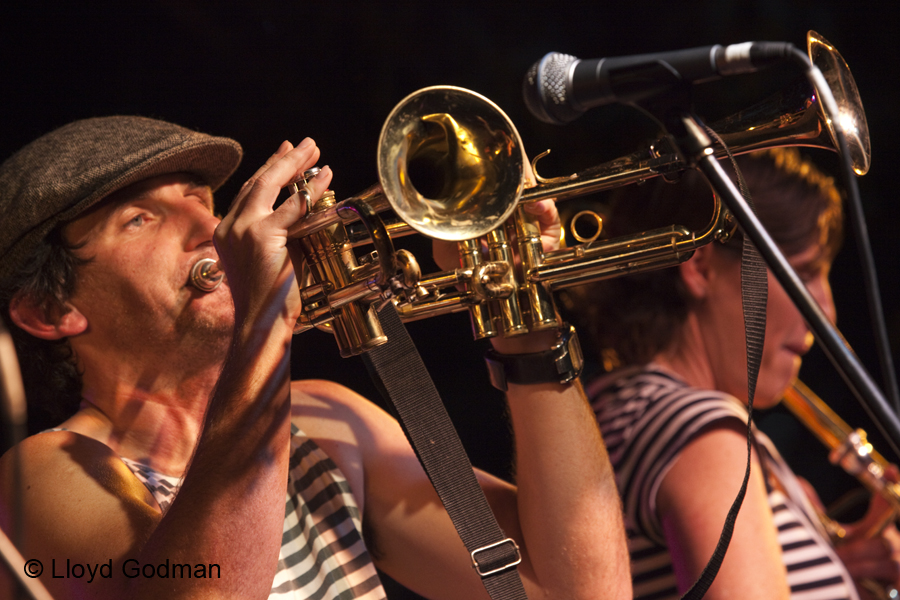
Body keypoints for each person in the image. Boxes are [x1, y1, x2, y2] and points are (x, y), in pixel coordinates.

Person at [0, 116, 631, 600]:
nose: (210, 229)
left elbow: (579, 590)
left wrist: (522, 313)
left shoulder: (322, 426)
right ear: (48, 312)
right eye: (140, 219)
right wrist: (266, 315)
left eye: (200, 198)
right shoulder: (43, 475)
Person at [563, 148, 900, 600]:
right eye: (803, 273)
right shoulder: (700, 429)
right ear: (701, 268)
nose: (826, 310)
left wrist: (833, 569)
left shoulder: (611, 412)